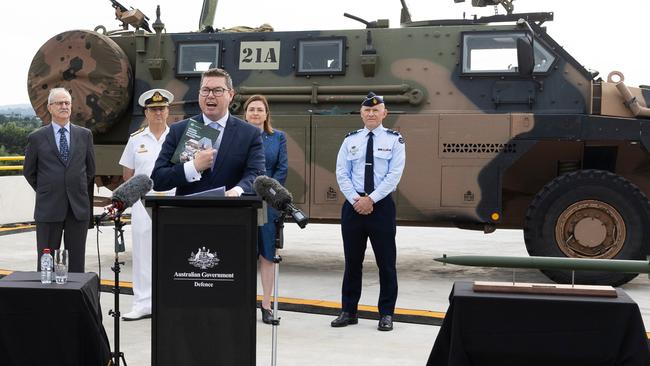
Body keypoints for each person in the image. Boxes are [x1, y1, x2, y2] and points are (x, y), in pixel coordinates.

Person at [331, 92, 406, 331]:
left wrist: (370, 199)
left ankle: (386, 314)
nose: (371, 114)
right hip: (353, 206)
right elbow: (341, 173)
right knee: (352, 262)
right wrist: (356, 199)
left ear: (385, 113)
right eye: (367, 111)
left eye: (376, 110)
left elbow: (394, 175)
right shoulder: (350, 140)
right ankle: (348, 311)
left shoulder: (395, 140)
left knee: (386, 263)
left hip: (381, 206)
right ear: (361, 114)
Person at [151, 68, 265, 196]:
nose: (210, 95)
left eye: (217, 90)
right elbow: (158, 179)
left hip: (232, 212)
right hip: (187, 213)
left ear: (231, 95)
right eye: (205, 90)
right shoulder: (178, 130)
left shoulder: (250, 134)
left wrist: (237, 190)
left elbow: (256, 174)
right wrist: (193, 167)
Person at [23, 87, 96, 273]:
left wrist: (73, 189)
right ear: (50, 107)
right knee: (46, 263)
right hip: (48, 208)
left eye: (67, 103)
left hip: (77, 209)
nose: (64, 106)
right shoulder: (37, 138)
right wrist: (48, 189)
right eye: (59, 103)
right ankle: (46, 300)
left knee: (76, 265)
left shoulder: (84, 135)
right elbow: (29, 172)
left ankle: (75, 302)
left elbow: (90, 171)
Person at [118, 89, 176, 321]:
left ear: (168, 111)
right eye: (153, 109)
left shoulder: (177, 138)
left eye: (162, 108)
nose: (158, 112)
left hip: (172, 200)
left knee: (171, 252)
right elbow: (127, 175)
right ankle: (143, 303)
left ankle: (169, 301)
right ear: (146, 112)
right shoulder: (136, 139)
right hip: (143, 202)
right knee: (143, 254)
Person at [243, 95, 288, 324]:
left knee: (267, 255)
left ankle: (266, 305)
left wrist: (268, 193)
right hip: (242, 200)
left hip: (268, 203)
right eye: (252, 109)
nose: (256, 113)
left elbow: (281, 169)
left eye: (260, 109)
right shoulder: (237, 137)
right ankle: (242, 302)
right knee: (241, 254)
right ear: (246, 113)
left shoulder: (277, 138)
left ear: (266, 113)